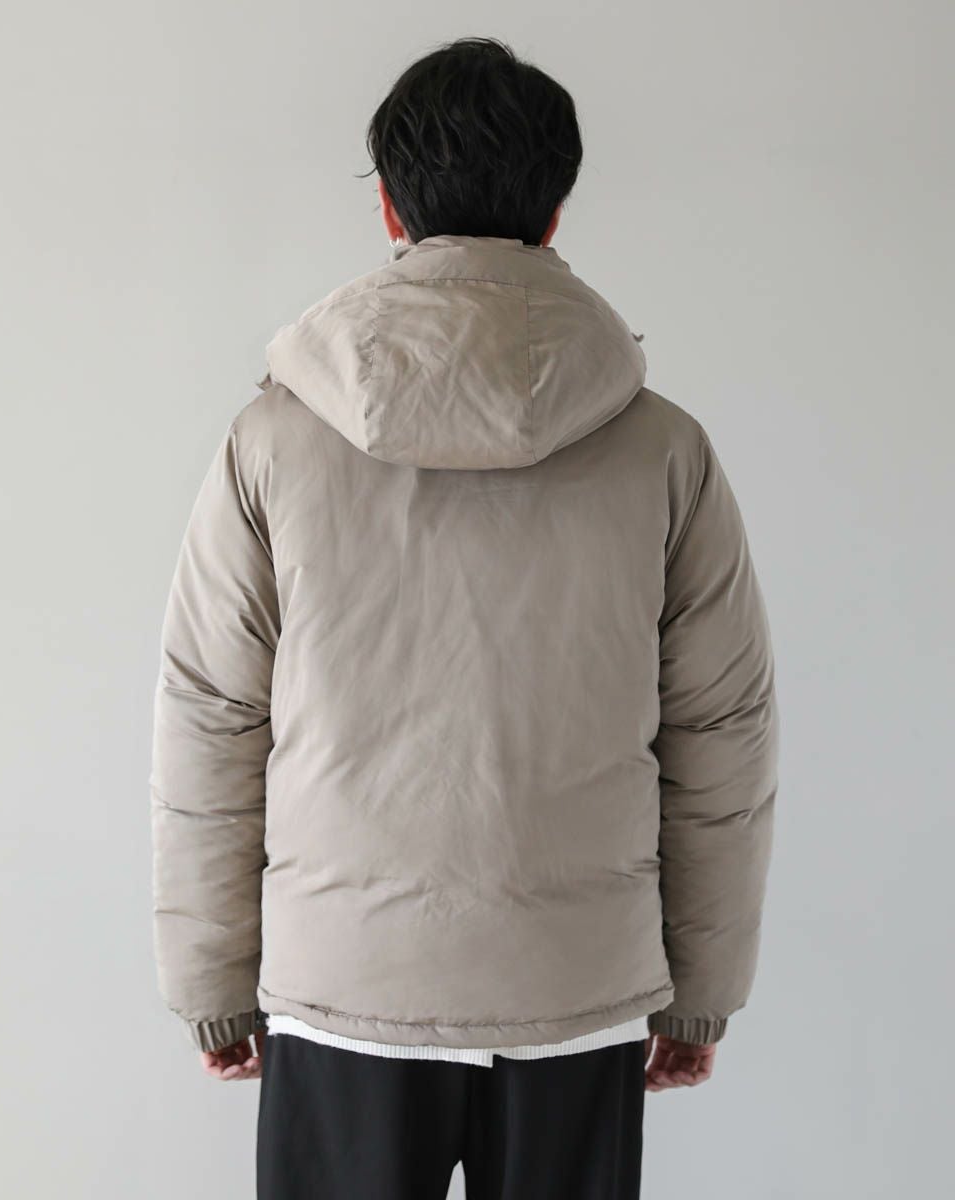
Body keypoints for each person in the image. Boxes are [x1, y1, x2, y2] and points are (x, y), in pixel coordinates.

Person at [149, 35, 778, 1200]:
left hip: (343, 985)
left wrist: (211, 981)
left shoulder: (273, 442)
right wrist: (699, 991)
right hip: (574, 987)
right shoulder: (663, 450)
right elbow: (721, 732)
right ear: (554, 211)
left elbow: (211, 718)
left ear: (392, 210)